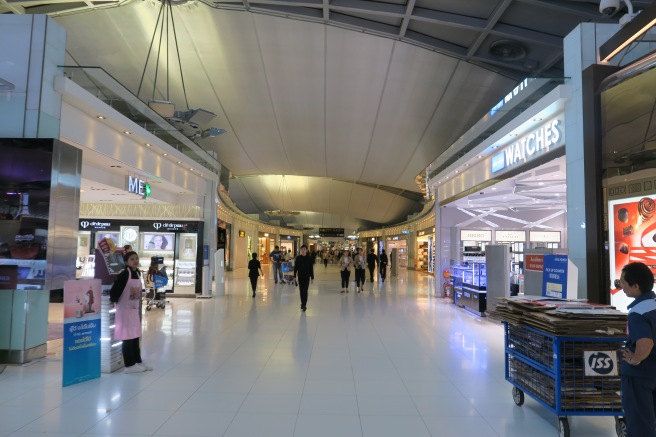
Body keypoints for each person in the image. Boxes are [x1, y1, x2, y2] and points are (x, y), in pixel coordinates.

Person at [619, 262, 656, 437]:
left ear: (636, 286)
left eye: (623, 283)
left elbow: (645, 343)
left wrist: (635, 358)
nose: (621, 287)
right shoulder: (653, 305)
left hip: (640, 376)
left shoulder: (638, 313)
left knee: (640, 422)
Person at [109, 251, 153, 374]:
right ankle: (129, 365)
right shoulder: (124, 274)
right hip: (125, 311)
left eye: (136, 258)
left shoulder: (137, 273)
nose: (135, 261)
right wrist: (116, 301)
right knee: (127, 338)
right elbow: (114, 292)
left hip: (134, 310)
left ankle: (138, 361)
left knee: (135, 336)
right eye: (132, 259)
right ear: (127, 262)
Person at [293, 245, 314, 312]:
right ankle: (302, 303)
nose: (303, 250)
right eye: (302, 249)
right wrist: (294, 276)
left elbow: (311, 268)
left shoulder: (309, 258)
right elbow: (295, 268)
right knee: (301, 291)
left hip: (307, 277)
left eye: (304, 249)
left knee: (305, 291)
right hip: (300, 277)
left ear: (307, 250)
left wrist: (312, 277)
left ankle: (304, 304)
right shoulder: (298, 258)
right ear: (300, 250)